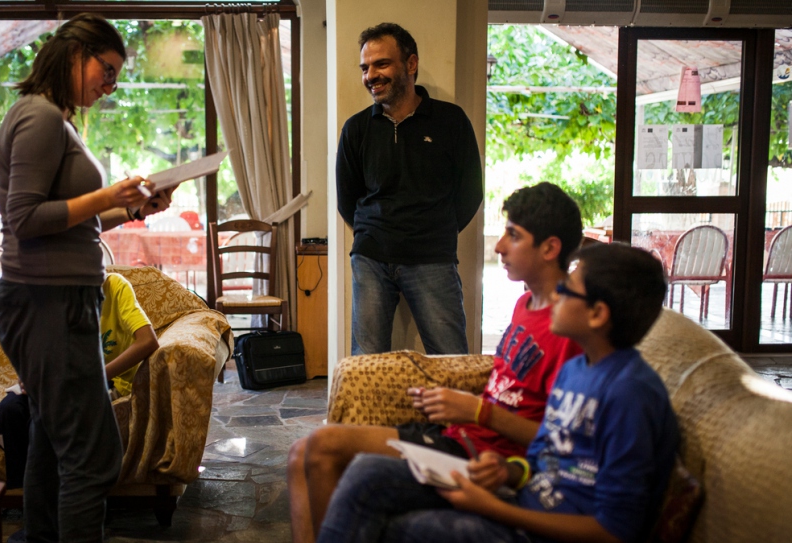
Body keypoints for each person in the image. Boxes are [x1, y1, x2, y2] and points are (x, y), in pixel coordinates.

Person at [316, 242, 679, 543]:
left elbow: (615, 530)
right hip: (521, 506)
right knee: (367, 475)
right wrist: (506, 471)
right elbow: (539, 460)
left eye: (569, 289)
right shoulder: (575, 371)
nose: (557, 293)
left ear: (598, 314)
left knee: (399, 523)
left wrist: (493, 508)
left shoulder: (632, 395)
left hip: (534, 529)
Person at [287, 183, 584, 543]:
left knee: (322, 450)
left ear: (550, 248)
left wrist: (477, 412)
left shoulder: (572, 330)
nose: (499, 246)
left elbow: (558, 441)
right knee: (301, 453)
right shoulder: (525, 306)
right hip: (457, 437)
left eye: (513, 235)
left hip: (487, 459)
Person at [0, 13, 173, 542]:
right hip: (47, 303)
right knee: (94, 457)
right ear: (76, 54)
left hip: (61, 300)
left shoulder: (56, 120)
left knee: (53, 442)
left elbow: (75, 220)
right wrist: (107, 194)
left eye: (117, 75)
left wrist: (136, 210)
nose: (110, 84)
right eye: (107, 70)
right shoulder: (40, 118)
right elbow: (24, 219)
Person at [336, 22, 483, 356]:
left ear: (411, 64)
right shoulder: (356, 128)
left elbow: (470, 191)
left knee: (451, 360)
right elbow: (348, 198)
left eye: (381, 64)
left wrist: (434, 229)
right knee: (367, 365)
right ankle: (370, 412)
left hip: (433, 258)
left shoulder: (451, 121)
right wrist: (372, 232)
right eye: (365, 67)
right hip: (371, 258)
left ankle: (454, 412)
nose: (370, 75)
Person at [0, 272, 160, 490]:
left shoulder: (115, 286)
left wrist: (93, 377)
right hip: (61, 379)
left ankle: (59, 498)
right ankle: (24, 500)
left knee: (52, 415)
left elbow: (148, 341)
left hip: (105, 380)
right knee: (9, 411)